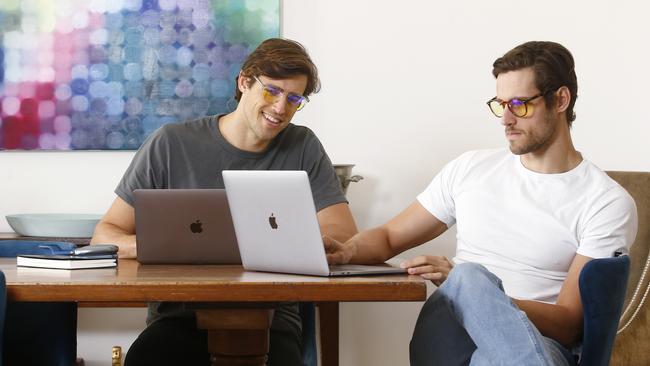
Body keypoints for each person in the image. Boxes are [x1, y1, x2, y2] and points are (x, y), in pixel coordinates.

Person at [324, 41, 638, 365]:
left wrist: (476, 291)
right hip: (449, 338)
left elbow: (568, 324)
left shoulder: (605, 202)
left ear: (560, 100)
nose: (506, 119)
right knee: (467, 279)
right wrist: (347, 250)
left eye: (519, 104)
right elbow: (389, 238)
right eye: (500, 104)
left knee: (470, 289)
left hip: (539, 346)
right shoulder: (470, 169)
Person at [91, 38, 358, 366]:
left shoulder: (302, 146)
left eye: (293, 99)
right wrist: (161, 246)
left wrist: (296, 240)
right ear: (244, 81)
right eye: (271, 91)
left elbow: (343, 233)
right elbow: (106, 235)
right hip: (178, 320)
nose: (280, 108)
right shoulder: (171, 144)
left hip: (272, 322)